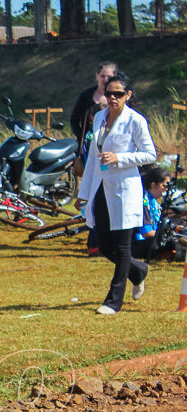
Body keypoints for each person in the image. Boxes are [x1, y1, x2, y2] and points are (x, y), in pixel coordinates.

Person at [77, 72, 156, 315]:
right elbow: (92, 158)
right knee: (104, 245)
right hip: (101, 188)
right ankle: (138, 271)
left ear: (128, 95)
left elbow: (150, 154)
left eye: (118, 94)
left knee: (122, 247)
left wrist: (120, 158)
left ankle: (113, 301)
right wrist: (84, 192)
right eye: (109, 93)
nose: (112, 98)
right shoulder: (99, 117)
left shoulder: (136, 121)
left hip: (124, 188)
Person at [71, 61, 118, 257]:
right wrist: (82, 141)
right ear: (97, 76)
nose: (105, 80)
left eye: (109, 76)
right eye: (103, 76)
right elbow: (75, 120)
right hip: (91, 149)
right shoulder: (86, 97)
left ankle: (110, 241)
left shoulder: (119, 98)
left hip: (113, 155)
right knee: (93, 195)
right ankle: (94, 242)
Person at [132, 165, 170, 260]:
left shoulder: (154, 201)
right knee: (172, 241)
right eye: (164, 186)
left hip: (151, 240)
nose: (167, 190)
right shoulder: (143, 201)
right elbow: (147, 233)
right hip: (139, 244)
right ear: (154, 185)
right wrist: (167, 235)